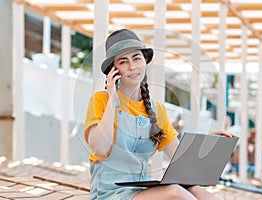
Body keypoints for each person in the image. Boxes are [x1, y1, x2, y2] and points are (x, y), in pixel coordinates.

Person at [84, 29, 235, 200]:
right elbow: (100, 147)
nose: (132, 66)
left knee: (195, 189)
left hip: (140, 189)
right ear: (114, 69)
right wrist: (112, 98)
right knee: (175, 192)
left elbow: (179, 158)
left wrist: (208, 142)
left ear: (145, 62)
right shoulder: (101, 100)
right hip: (109, 193)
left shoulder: (157, 110)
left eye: (136, 58)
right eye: (123, 61)